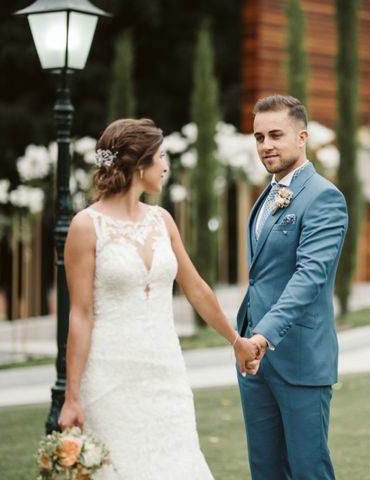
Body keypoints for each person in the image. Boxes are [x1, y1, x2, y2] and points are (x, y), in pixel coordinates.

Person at [57, 118, 259, 479]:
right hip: (109, 376)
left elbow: (196, 288)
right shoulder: (86, 226)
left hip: (166, 370)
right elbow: (81, 314)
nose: (166, 166)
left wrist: (236, 340)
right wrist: (72, 395)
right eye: (162, 157)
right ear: (139, 164)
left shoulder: (161, 220)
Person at [236, 95, 349, 479]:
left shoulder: (324, 197)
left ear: (302, 137)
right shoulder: (267, 196)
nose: (265, 145)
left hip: (299, 358)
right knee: (264, 470)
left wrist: (264, 334)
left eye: (275, 135)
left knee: (308, 470)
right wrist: (248, 337)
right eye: (258, 136)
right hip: (254, 361)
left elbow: (309, 277)